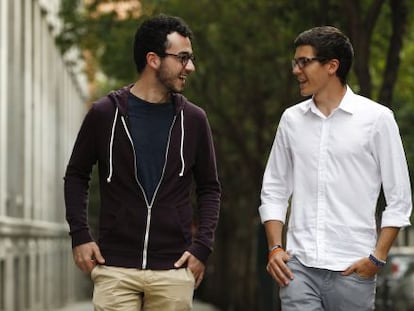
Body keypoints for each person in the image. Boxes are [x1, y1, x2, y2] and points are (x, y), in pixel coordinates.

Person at [64, 14, 221, 311]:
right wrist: (80, 235)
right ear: (153, 59)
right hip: (115, 267)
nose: (191, 67)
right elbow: (76, 175)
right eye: (183, 58)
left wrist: (202, 247)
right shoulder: (104, 114)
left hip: (173, 267)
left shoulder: (195, 120)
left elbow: (210, 188)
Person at [259, 26, 412, 311]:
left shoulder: (377, 119)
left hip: (353, 270)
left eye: (304, 62)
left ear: (332, 66)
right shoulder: (291, 120)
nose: (296, 70)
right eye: (296, 62)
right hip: (298, 269)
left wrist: (377, 258)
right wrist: (275, 248)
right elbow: (275, 189)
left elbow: (399, 199)